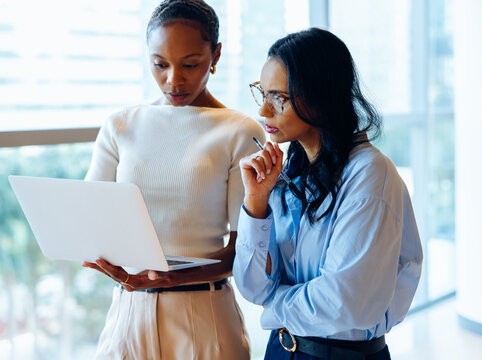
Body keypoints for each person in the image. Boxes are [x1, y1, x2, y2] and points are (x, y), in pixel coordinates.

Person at [82, 1, 265, 359]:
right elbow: (88, 219)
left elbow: (247, 252)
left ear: (216, 55)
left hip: (203, 313)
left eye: (190, 64)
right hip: (127, 313)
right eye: (160, 64)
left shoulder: (239, 131)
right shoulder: (121, 126)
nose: (173, 80)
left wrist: (173, 277)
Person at [233, 28, 423, 360]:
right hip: (280, 348)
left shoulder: (370, 175)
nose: (264, 111)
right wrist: (256, 202)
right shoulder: (286, 172)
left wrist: (274, 306)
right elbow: (253, 287)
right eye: (262, 94)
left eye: (280, 97)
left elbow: (344, 303)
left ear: (321, 94)